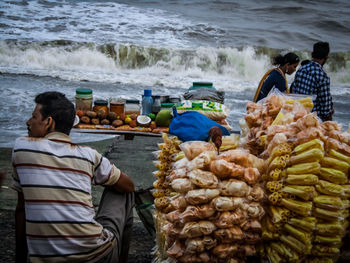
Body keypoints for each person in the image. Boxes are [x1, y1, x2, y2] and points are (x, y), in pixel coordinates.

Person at [12, 91, 135, 263]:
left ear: (48, 122)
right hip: (96, 257)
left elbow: (21, 209)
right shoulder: (88, 155)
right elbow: (129, 185)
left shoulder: (21, 148)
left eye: (33, 117)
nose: (28, 122)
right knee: (123, 190)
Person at [290, 41, 333, 121]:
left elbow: (294, 91)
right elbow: (325, 109)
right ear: (326, 58)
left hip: (297, 114)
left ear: (312, 54)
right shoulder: (322, 75)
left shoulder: (301, 69)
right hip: (313, 119)